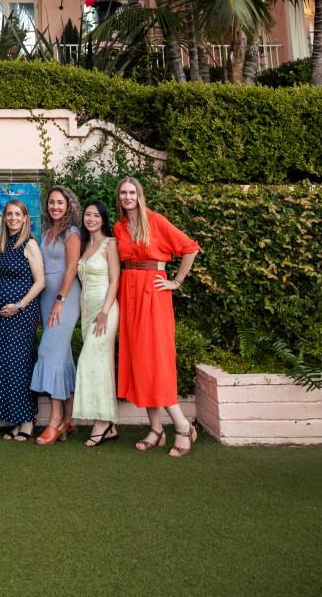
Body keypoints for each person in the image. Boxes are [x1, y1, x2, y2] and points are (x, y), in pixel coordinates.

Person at [114, 176, 200, 458]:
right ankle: (156, 429)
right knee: (140, 360)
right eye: (123, 193)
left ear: (139, 195)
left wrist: (176, 281)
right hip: (129, 296)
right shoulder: (119, 227)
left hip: (154, 294)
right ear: (120, 197)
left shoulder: (156, 221)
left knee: (156, 360)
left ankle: (182, 426)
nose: (128, 197)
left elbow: (190, 247)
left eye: (132, 192)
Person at [0, 200, 45, 441]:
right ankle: (16, 419)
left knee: (20, 365)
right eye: (9, 214)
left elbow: (40, 281)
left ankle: (27, 421)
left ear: (25, 218)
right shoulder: (3, 244)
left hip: (22, 315)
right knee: (7, 365)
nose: (12, 218)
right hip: (3, 317)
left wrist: (19, 306)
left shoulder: (30, 244)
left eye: (17, 214)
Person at [31, 185, 82, 444]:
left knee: (48, 352)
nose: (55, 206)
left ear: (68, 205)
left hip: (66, 298)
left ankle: (55, 420)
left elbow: (72, 268)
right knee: (62, 354)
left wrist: (60, 300)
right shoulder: (48, 230)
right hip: (47, 298)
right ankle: (71, 418)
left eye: (60, 202)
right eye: (51, 202)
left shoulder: (72, 232)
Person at [73, 200, 121, 447]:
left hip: (105, 310)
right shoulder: (84, 245)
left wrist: (104, 312)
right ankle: (110, 424)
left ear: (103, 219)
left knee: (88, 360)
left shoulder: (109, 243)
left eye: (96, 215)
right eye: (87, 215)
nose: (91, 219)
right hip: (86, 311)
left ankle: (101, 424)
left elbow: (115, 280)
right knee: (101, 364)